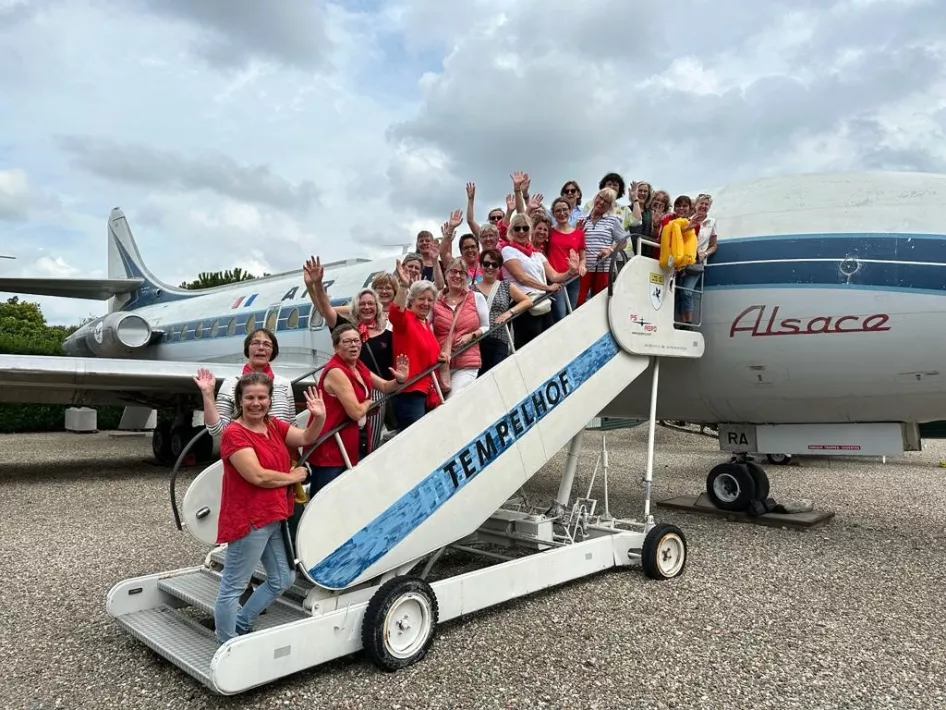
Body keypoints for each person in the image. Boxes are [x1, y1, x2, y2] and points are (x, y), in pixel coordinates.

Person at [202, 371, 326, 643]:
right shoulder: (235, 434)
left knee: (282, 578)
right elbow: (257, 476)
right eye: (250, 398)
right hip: (250, 519)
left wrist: (320, 417)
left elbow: (306, 438)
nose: (256, 403)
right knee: (232, 587)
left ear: (270, 400)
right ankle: (226, 642)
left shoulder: (273, 426)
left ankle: (242, 623)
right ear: (240, 400)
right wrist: (294, 477)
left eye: (262, 397)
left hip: (274, 515)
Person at [304, 323, 409, 495]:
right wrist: (369, 402)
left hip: (353, 440)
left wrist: (400, 380)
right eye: (347, 342)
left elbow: (383, 386)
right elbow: (356, 412)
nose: (353, 345)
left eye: (356, 340)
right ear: (336, 346)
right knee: (328, 497)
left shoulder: (358, 365)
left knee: (353, 493)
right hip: (332, 446)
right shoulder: (336, 371)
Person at [304, 255, 393, 451]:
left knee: (371, 439)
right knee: (353, 438)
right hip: (350, 389)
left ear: (377, 308)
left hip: (376, 390)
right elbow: (325, 308)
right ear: (355, 308)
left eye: (371, 304)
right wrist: (315, 286)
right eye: (362, 304)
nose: (367, 307)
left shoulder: (387, 332)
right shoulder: (347, 330)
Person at [195, 328, 295, 439]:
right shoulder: (231, 383)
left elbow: (292, 426)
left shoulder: (285, 384)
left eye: (267, 345)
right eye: (255, 343)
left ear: (273, 352)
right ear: (247, 349)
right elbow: (217, 430)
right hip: (246, 451)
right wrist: (207, 394)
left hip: (279, 453)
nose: (261, 347)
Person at [388, 267, 446, 430]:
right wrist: (404, 286)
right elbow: (394, 314)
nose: (426, 303)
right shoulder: (405, 319)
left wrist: (440, 358)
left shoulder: (426, 324)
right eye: (422, 299)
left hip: (427, 391)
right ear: (411, 300)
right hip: (410, 392)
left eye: (430, 300)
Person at [433, 257, 490, 398]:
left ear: (467, 277)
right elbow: (425, 327)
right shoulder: (435, 301)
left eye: (462, 273)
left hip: (467, 362)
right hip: (442, 365)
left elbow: (486, 326)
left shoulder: (476, 297)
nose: (457, 276)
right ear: (446, 274)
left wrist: (471, 336)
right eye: (453, 271)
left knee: (453, 399)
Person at [472, 248, 533, 374]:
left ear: (499, 267)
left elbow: (527, 301)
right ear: (480, 265)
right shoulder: (470, 290)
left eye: (494, 264)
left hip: (499, 340)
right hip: (477, 342)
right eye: (486, 263)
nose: (490, 267)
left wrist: (510, 312)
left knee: (499, 374)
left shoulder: (505, 286)